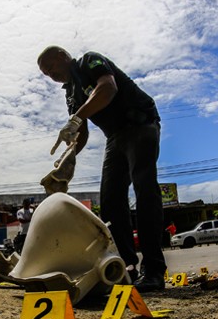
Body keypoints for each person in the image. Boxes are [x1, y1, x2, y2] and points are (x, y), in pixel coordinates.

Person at [37, 46, 166, 290]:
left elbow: (108, 88)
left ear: (63, 56)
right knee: (110, 202)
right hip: (115, 138)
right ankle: (126, 268)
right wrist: (66, 162)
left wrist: (76, 118)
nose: (50, 75)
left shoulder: (89, 61)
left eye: (51, 68)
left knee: (144, 188)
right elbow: (81, 132)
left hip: (139, 124)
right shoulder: (71, 94)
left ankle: (154, 270)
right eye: (46, 74)